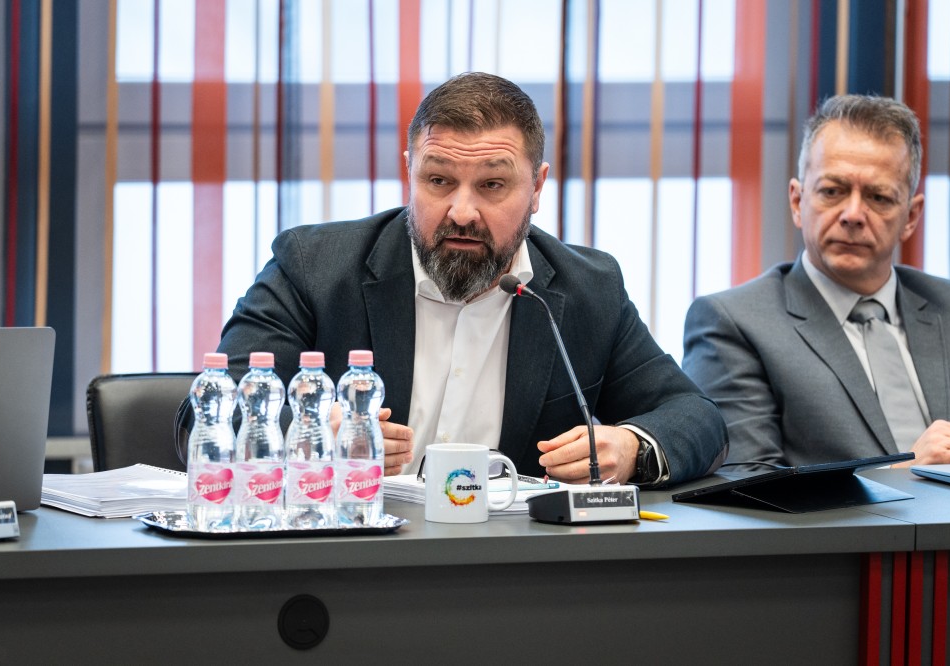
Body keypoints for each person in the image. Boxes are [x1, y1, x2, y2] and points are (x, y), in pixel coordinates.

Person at [215, 72, 727, 487]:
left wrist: (632, 448)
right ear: (409, 173)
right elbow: (212, 413)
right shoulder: (314, 268)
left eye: (492, 185)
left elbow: (696, 416)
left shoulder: (588, 289)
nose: (462, 211)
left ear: (537, 188)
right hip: (351, 556)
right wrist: (313, 438)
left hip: (507, 567)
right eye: (438, 180)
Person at [682, 94, 950, 470]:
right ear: (797, 202)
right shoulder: (734, 323)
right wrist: (902, 474)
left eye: (879, 197)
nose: (853, 214)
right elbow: (744, 484)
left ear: (911, 217)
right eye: (832, 191)